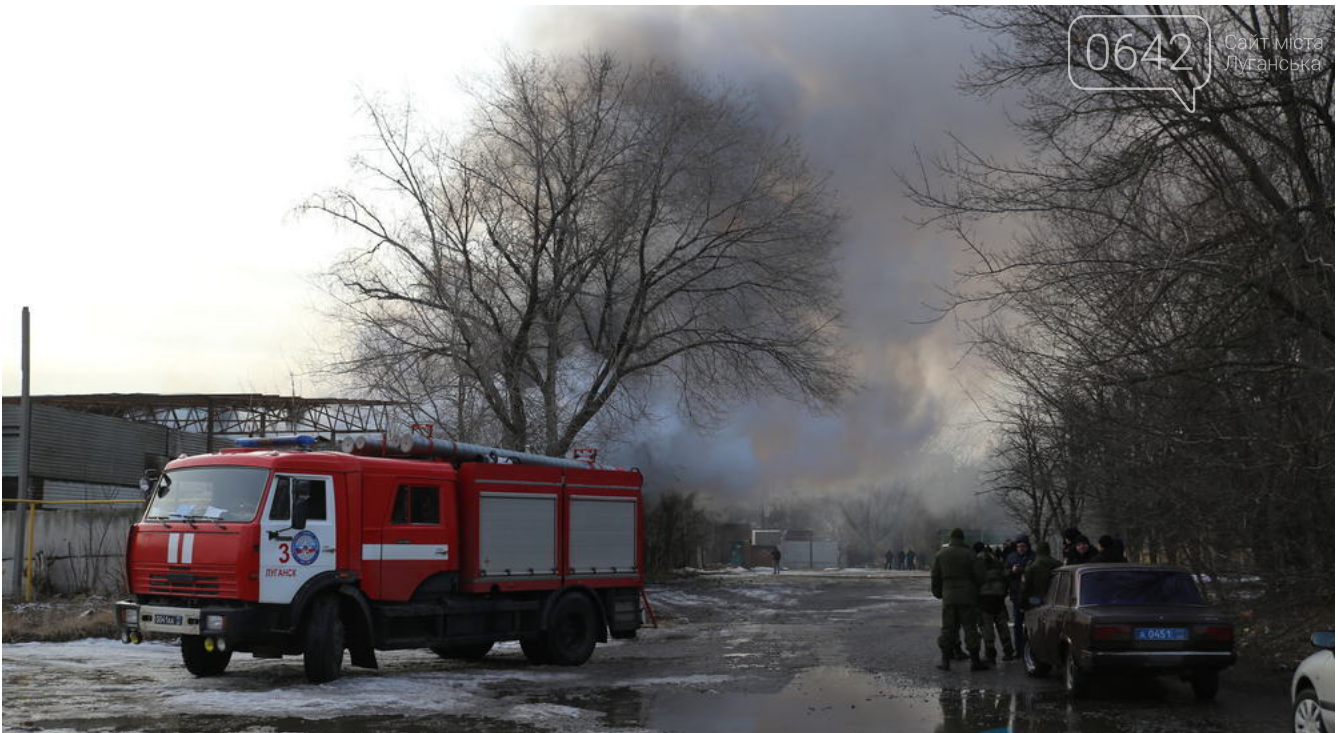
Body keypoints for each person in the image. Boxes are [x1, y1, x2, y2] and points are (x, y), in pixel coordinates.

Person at [931, 528, 988, 671]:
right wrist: (975, 589)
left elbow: (935, 577)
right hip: (968, 597)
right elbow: (981, 576)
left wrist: (938, 593)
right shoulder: (970, 554)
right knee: (970, 628)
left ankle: (945, 661)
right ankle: (975, 662)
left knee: (948, 628)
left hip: (949, 597)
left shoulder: (941, 555)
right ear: (963, 539)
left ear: (950, 538)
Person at [975, 541, 1016, 662]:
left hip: (984, 597)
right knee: (1002, 624)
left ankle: (990, 653)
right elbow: (1005, 576)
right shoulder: (996, 560)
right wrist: (1004, 592)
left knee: (987, 626)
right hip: (999, 597)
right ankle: (1008, 651)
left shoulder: (977, 560)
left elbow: (975, 579)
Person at [1003, 534, 1036, 655]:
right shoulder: (1011, 557)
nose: (1021, 548)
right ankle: (1019, 649)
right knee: (1017, 624)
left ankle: (1033, 648)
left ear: (1027, 546)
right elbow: (1004, 573)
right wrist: (1011, 571)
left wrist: (1023, 571)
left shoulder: (1034, 556)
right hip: (1016, 595)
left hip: (1032, 596)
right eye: (1019, 546)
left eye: (1023, 546)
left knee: (1032, 623)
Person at [1021, 541, 1063, 605]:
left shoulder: (1032, 566)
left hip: (1035, 599)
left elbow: (1025, 587)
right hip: (1054, 598)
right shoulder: (1057, 564)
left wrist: (1022, 604)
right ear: (1048, 550)